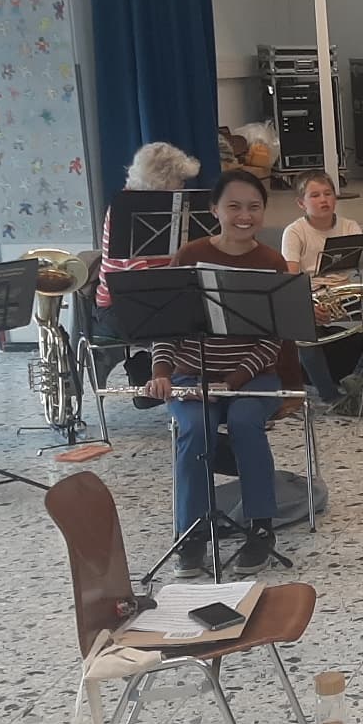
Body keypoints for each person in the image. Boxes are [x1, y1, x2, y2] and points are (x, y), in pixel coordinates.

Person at [143, 171, 288, 576]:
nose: (245, 215)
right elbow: (166, 325)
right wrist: (161, 372)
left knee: (244, 423)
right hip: (191, 376)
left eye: (254, 207)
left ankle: (261, 528)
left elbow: (272, 342)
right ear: (214, 210)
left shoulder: (271, 262)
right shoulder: (189, 255)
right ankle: (191, 533)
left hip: (253, 377)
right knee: (195, 429)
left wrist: (231, 383)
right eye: (234, 206)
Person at [282, 170, 363, 405]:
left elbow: (361, 267)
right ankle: (329, 395)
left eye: (328, 193)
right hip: (311, 295)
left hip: (345, 293)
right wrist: (308, 304)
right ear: (301, 203)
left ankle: (359, 377)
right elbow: (291, 277)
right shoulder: (294, 232)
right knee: (303, 327)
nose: (323, 200)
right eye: (315, 195)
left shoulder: (349, 226)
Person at [93, 142, 202, 395]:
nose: (182, 187)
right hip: (121, 304)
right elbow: (138, 276)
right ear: (161, 181)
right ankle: (160, 381)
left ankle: (186, 383)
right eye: (179, 181)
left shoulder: (175, 206)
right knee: (181, 320)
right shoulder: (123, 208)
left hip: (165, 294)